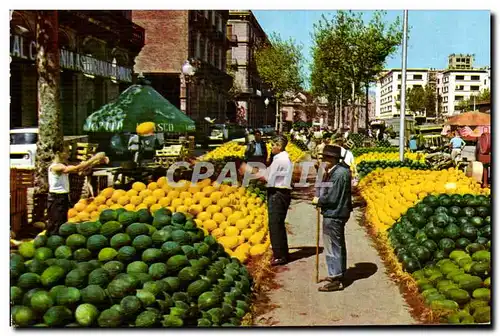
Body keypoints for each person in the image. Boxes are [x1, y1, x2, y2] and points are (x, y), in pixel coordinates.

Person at [240, 135, 293, 266]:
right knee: (278, 224)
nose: (271, 147)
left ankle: (280, 256)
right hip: (280, 192)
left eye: (273, 145)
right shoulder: (281, 158)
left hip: (278, 193)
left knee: (275, 224)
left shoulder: (281, 160)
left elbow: (267, 177)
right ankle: (282, 253)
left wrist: (248, 170)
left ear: (279, 146)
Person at [312, 145, 353, 292]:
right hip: (335, 212)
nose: (323, 160)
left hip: (334, 213)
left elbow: (333, 196)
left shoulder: (339, 174)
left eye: (325, 158)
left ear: (332, 159)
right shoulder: (336, 171)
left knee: (332, 246)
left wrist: (319, 200)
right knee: (336, 244)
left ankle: (336, 278)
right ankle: (337, 273)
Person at [48, 143, 109, 234]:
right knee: (56, 224)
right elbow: (76, 169)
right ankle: (50, 243)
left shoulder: (63, 164)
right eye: (66, 152)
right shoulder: (55, 167)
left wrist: (95, 162)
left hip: (63, 197)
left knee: (62, 223)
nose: (68, 154)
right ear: (58, 153)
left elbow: (80, 171)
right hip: (56, 198)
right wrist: (94, 158)